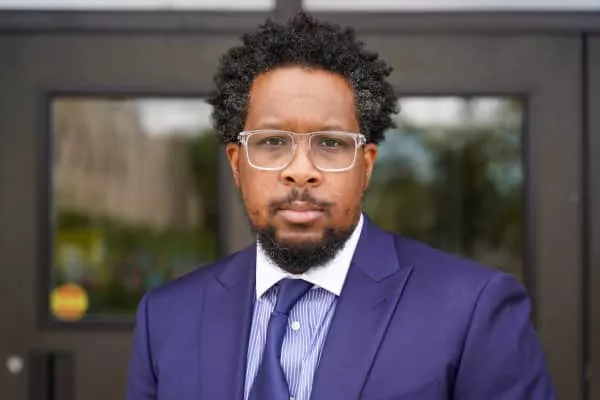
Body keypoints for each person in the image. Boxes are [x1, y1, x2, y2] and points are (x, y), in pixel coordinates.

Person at [127, 12, 556, 400]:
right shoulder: (166, 316)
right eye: (272, 141)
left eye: (331, 143)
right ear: (237, 164)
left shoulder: (473, 311)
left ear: (366, 165)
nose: (301, 171)